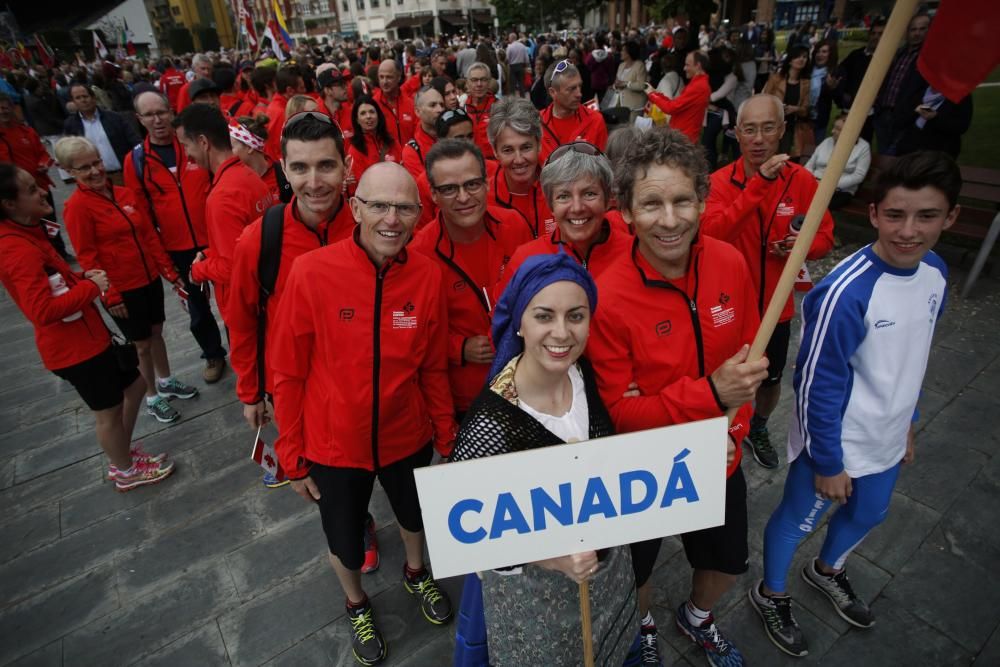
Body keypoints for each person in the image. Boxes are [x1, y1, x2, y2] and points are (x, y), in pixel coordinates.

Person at [748, 152, 959, 658]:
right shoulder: (844, 292)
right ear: (873, 214)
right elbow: (816, 383)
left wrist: (908, 420)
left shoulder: (936, 272)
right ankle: (770, 592)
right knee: (798, 519)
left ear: (949, 217)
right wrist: (828, 460)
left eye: (926, 216)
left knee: (871, 512)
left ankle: (826, 571)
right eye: (895, 215)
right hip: (835, 444)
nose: (909, 231)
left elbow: (914, 354)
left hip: (888, 435)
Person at [587, 127, 769, 667]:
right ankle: (643, 623)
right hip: (644, 466)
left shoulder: (730, 265)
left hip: (722, 454)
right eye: (651, 204)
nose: (669, 220)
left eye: (682, 200)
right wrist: (710, 393)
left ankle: (696, 616)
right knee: (637, 570)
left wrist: (732, 429)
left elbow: (750, 367)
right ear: (625, 212)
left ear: (702, 200)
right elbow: (620, 412)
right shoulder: (608, 296)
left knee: (728, 560)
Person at [269, 162, 456, 666]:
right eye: (379, 205)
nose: (391, 219)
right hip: (334, 443)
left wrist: (445, 432)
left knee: (415, 516)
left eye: (404, 208)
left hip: (406, 431)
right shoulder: (311, 273)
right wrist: (290, 455)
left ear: (420, 215)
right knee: (345, 537)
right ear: (355, 208)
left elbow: (434, 365)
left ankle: (417, 573)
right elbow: (285, 371)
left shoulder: (428, 275)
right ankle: (355, 602)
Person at [451, 251, 639, 666]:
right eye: (543, 316)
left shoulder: (584, 373)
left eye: (576, 316)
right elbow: (469, 533)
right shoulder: (490, 423)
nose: (562, 332)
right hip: (538, 603)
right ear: (519, 321)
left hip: (605, 580)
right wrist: (551, 557)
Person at [0, 162, 175, 491]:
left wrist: (80, 280)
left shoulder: (27, 233)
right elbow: (41, 309)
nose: (42, 192)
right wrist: (92, 288)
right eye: (31, 189)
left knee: (135, 385)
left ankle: (121, 453)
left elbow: (55, 284)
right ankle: (124, 470)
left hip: (90, 338)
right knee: (108, 411)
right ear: (10, 205)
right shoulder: (14, 248)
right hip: (75, 349)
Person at [227, 111, 360, 494]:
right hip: (296, 390)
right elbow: (242, 319)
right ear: (283, 169)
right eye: (300, 167)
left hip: (360, 381)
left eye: (326, 166)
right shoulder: (260, 239)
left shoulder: (367, 225)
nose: (314, 182)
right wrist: (250, 392)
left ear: (346, 166)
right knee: (325, 484)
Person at [701, 94, 835, 470]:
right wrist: (758, 185)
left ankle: (758, 426)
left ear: (782, 131)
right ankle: (718, 431)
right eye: (750, 129)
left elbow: (824, 238)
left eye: (768, 128)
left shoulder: (803, 180)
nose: (758, 138)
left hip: (777, 308)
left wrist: (802, 245)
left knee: (771, 378)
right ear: (737, 134)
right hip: (727, 308)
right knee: (721, 376)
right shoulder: (719, 182)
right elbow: (713, 232)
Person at [57, 136, 199, 425]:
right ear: (71, 173)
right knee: (142, 344)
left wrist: (170, 273)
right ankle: (151, 397)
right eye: (84, 168)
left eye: (96, 162)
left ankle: (166, 380)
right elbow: (87, 257)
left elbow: (148, 235)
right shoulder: (78, 207)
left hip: (147, 277)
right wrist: (110, 294)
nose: (95, 171)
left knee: (156, 331)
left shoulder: (124, 194)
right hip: (122, 286)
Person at [410, 139, 533, 415]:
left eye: (472, 184)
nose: (464, 197)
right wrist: (459, 347)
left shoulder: (513, 225)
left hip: (527, 383)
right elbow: (413, 331)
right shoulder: (419, 253)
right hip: (467, 398)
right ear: (433, 195)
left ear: (487, 183)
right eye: (450, 189)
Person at [125, 91, 227, 384]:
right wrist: (166, 267)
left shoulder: (194, 146)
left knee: (233, 296)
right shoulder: (137, 160)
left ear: (171, 112)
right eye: (149, 115)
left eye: (162, 112)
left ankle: (245, 350)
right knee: (197, 307)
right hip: (177, 246)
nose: (157, 120)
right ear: (139, 119)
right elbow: (142, 221)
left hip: (213, 237)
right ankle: (213, 353)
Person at [174, 103, 275, 328]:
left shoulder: (222, 196)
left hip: (246, 311)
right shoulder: (250, 176)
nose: (187, 155)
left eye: (186, 145)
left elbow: (232, 267)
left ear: (203, 142)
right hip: (264, 299)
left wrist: (197, 270)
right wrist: (211, 253)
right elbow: (247, 240)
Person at [498, 142, 632, 297]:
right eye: (564, 196)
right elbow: (504, 319)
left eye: (589, 194)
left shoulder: (634, 254)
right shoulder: (525, 260)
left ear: (608, 199)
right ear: (551, 205)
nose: (577, 208)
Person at [486, 97, 554, 239]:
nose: (518, 160)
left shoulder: (561, 187)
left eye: (526, 147)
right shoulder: (484, 201)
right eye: (508, 150)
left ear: (539, 145)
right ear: (494, 151)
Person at [874, 12, 931, 155]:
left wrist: (911, 112)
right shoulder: (898, 54)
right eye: (913, 29)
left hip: (907, 118)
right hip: (884, 113)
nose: (917, 33)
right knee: (883, 154)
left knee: (897, 157)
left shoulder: (928, 58)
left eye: (922, 29)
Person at [63, 83, 141, 185]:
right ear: (73, 102)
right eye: (78, 98)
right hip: (93, 179)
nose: (83, 100)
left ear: (93, 97)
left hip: (122, 175)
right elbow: (69, 153)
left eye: (85, 96)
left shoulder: (115, 118)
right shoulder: (71, 125)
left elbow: (135, 142)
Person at [539, 60, 608, 164]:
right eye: (572, 89)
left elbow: (604, 168)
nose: (579, 94)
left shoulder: (595, 120)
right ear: (553, 92)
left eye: (579, 86)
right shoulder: (537, 124)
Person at [834, 18, 885, 144]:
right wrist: (843, 94)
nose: (876, 37)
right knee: (841, 143)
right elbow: (839, 72)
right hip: (849, 110)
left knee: (861, 145)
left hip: (870, 114)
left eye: (880, 34)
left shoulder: (888, 59)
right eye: (873, 33)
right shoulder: (856, 55)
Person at [805, 114, 871, 209]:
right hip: (814, 184)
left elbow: (858, 176)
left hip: (840, 190)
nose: (832, 131)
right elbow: (809, 165)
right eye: (834, 127)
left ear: (851, 130)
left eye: (837, 129)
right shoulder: (827, 142)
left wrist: (829, 185)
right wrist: (810, 180)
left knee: (816, 205)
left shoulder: (863, 147)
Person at [644, 50, 712, 144]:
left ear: (698, 65)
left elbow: (671, 108)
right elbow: (675, 104)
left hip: (683, 139)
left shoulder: (699, 86)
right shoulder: (698, 84)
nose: (684, 68)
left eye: (687, 65)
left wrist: (652, 95)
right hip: (683, 136)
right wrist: (655, 93)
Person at [895, 87, 972, 159]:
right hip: (911, 143)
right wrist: (917, 108)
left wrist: (935, 117)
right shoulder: (922, 89)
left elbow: (961, 126)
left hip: (938, 150)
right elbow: (903, 115)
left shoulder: (962, 96)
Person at [763, 46, 811, 159]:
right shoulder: (776, 78)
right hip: (772, 123)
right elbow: (764, 100)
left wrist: (796, 109)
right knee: (767, 154)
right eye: (798, 56)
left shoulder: (806, 83)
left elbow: (805, 109)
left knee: (783, 156)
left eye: (805, 57)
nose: (802, 59)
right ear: (790, 60)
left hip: (790, 125)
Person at [229, 114, 289, 204]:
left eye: (231, 147)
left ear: (250, 148)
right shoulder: (232, 180)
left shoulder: (284, 173)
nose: (227, 153)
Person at [346, 95, 401, 193]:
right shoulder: (355, 149)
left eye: (372, 112)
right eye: (363, 113)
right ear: (357, 120)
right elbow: (360, 185)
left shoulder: (392, 142)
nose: (368, 116)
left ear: (378, 116)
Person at [401, 86, 444, 179]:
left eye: (442, 105)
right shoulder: (412, 150)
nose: (440, 110)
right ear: (417, 111)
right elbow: (425, 188)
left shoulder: (454, 137)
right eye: (433, 105)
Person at [373, 59, 416, 146]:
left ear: (399, 77)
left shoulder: (411, 103)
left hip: (409, 156)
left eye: (389, 77)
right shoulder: (373, 105)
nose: (384, 82)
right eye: (381, 77)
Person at [463, 62, 497, 159]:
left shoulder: (499, 108)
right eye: (474, 80)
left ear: (489, 82)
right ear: (467, 83)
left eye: (483, 80)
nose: (479, 84)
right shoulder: (462, 109)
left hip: (495, 164)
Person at [809, 39, 839, 145]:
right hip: (802, 117)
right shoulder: (807, 70)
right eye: (818, 51)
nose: (820, 55)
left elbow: (838, 100)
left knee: (816, 147)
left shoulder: (833, 73)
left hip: (820, 117)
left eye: (824, 52)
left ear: (831, 54)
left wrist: (832, 88)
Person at [614, 41, 648, 122]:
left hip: (635, 107)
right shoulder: (621, 65)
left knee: (633, 131)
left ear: (629, 52)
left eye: (623, 50)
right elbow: (617, 82)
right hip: (621, 106)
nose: (621, 52)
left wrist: (625, 84)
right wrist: (615, 85)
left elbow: (642, 85)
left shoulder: (639, 65)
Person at [318, 68, 353, 138]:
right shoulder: (316, 116)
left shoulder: (351, 112)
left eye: (345, 83)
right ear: (327, 90)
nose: (346, 87)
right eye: (341, 85)